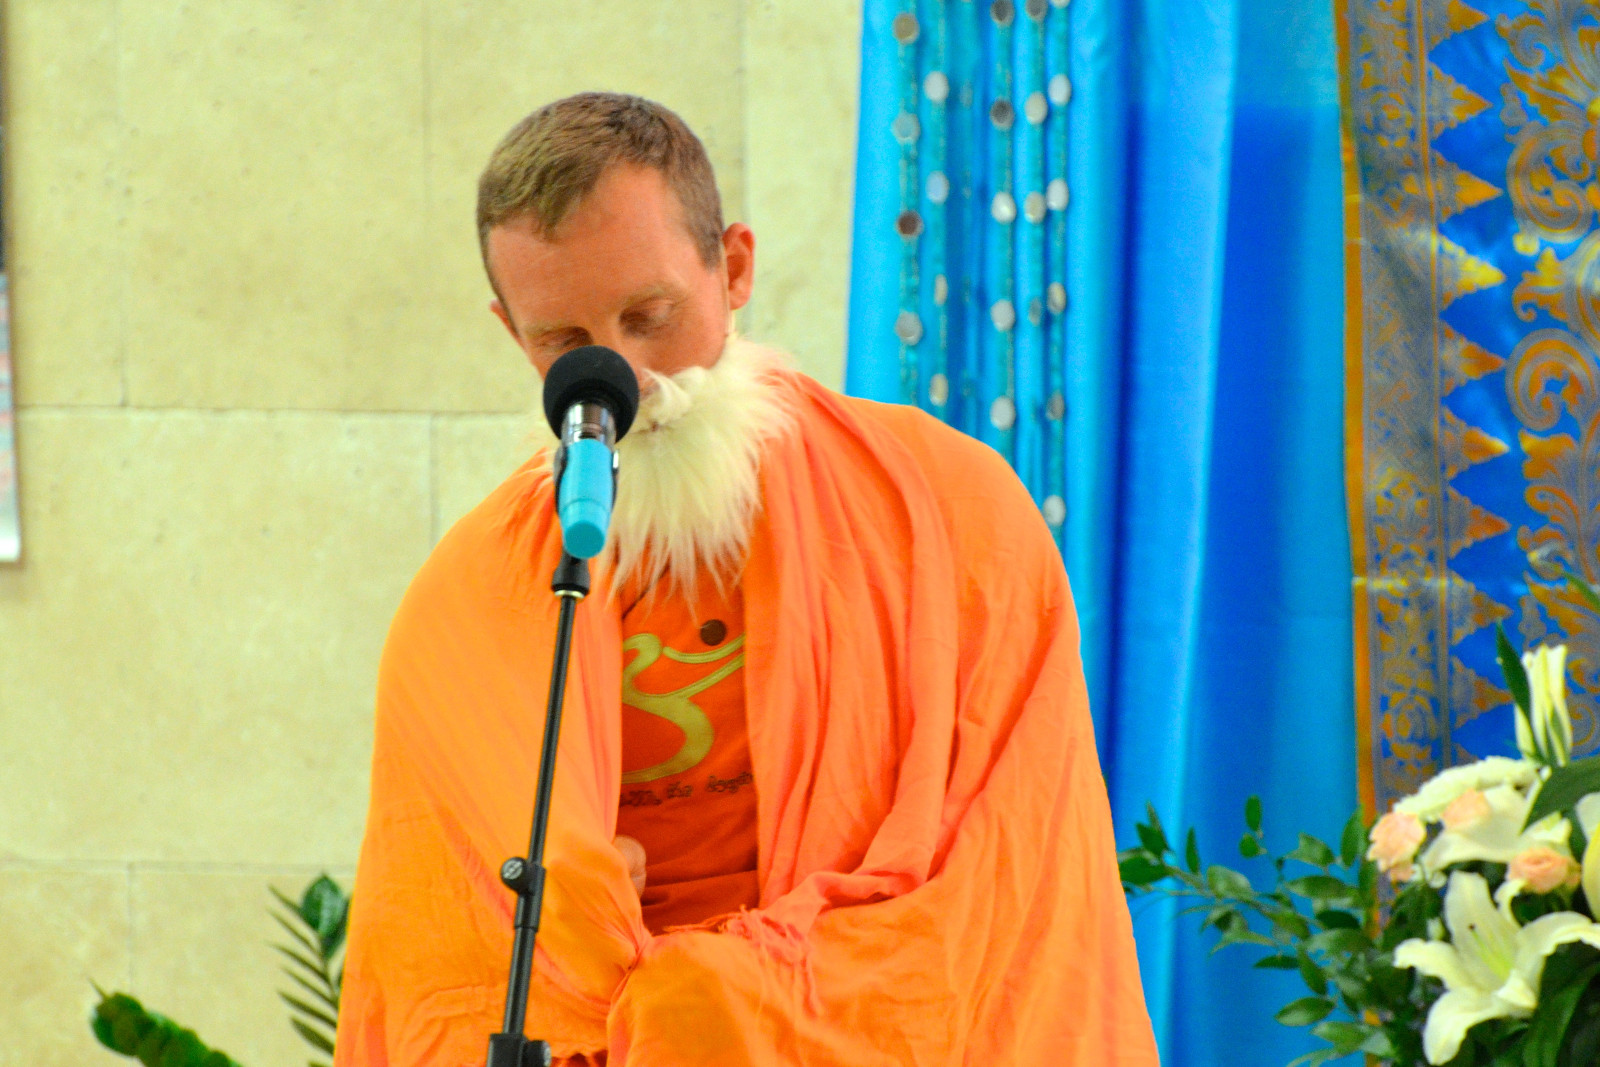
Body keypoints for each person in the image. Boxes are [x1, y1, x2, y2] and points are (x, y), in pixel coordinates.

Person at [334, 91, 1156, 1066]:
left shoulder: (950, 512)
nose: (627, 378)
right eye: (566, 343)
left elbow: (1004, 881)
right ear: (514, 334)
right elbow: (439, 950)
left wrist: (721, 997)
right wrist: (570, 923)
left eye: (650, 316)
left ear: (733, 269)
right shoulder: (473, 599)